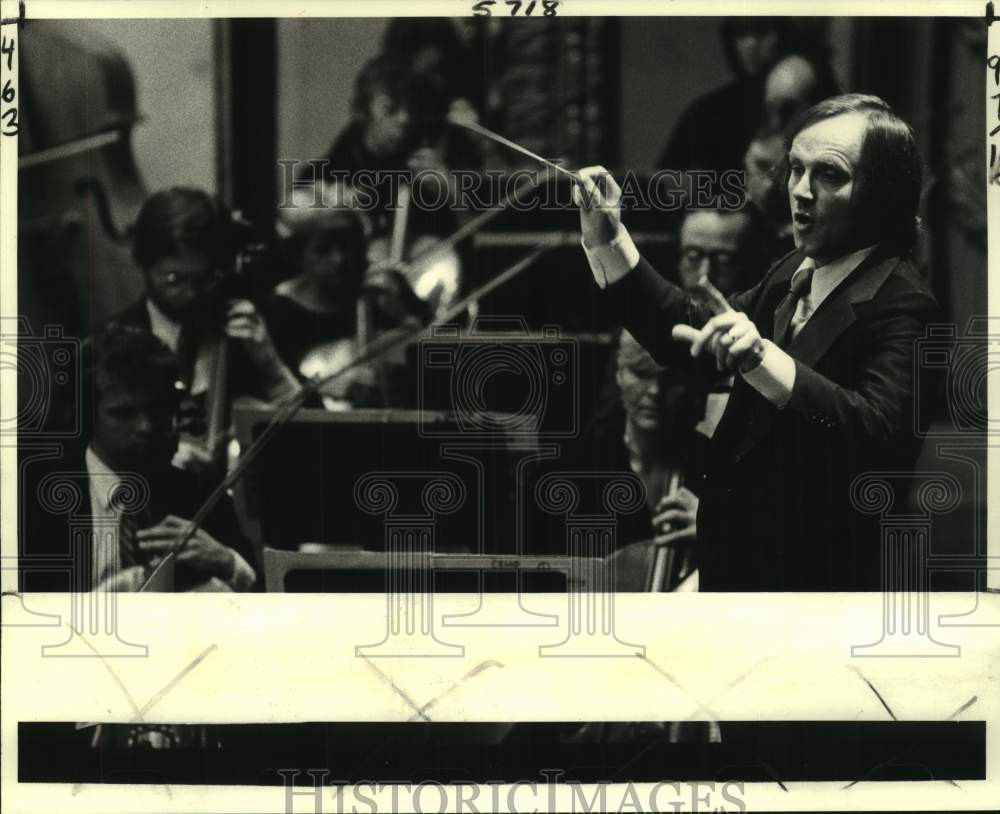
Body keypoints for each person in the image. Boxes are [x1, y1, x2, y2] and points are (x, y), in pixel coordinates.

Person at [576, 94, 937, 591]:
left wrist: (763, 358)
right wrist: (609, 240)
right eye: (795, 169)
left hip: (816, 593)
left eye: (829, 175)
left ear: (882, 194)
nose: (801, 192)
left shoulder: (904, 302)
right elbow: (688, 332)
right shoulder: (794, 272)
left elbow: (875, 438)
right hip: (741, 578)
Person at [20, 325, 257, 592]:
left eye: (157, 410)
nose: (146, 426)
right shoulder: (32, 497)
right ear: (86, 415)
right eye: (124, 413)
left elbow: (266, 599)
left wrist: (228, 563)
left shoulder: (199, 492)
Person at [108, 187, 301, 471]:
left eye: (206, 279)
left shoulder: (252, 330)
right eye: (174, 279)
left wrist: (271, 366)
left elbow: (316, 436)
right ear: (143, 264)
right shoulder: (112, 343)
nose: (191, 294)